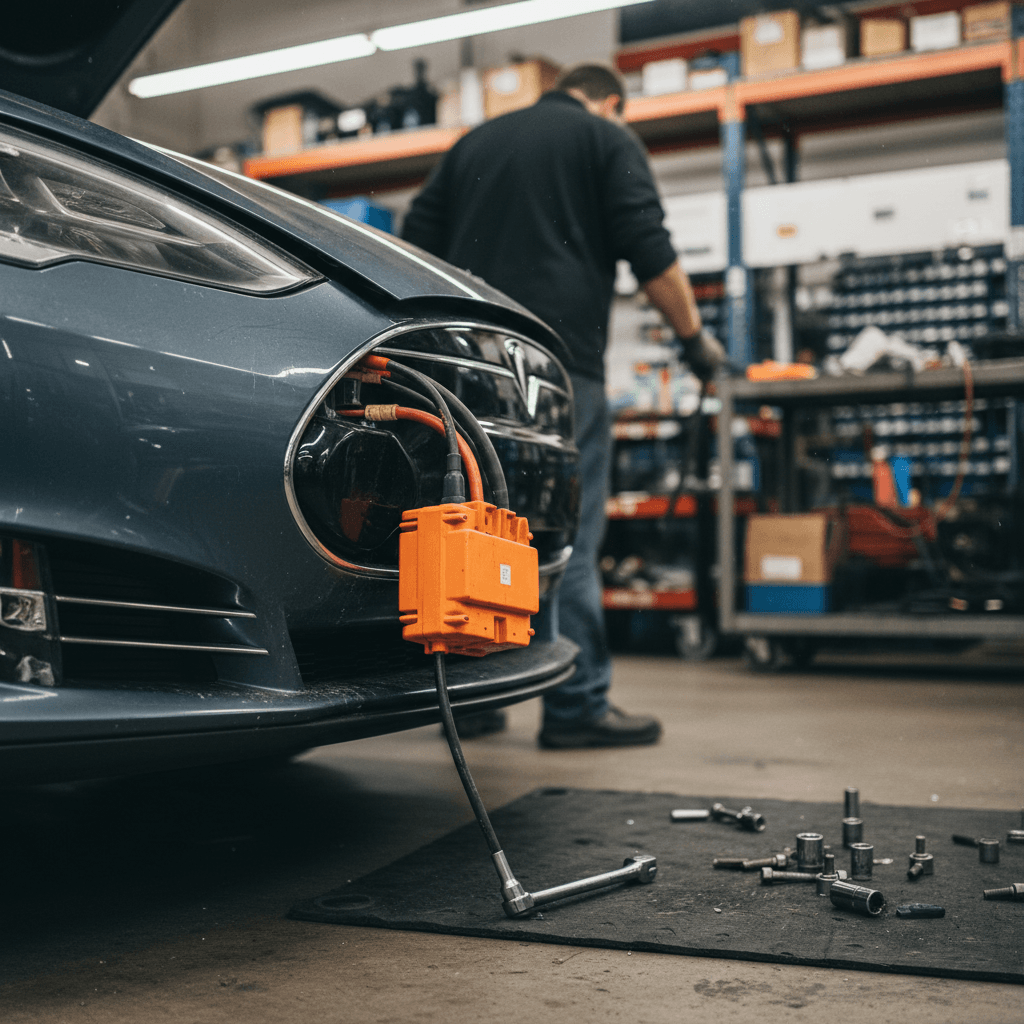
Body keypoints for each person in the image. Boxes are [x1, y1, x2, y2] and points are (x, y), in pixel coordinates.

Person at [402, 63, 726, 748]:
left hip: (464, 365)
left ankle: (473, 699)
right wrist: (697, 344)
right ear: (611, 102)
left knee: (475, 523)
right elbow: (652, 253)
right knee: (567, 535)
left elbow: (412, 241)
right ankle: (575, 706)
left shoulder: (475, 143)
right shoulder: (606, 138)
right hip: (558, 368)